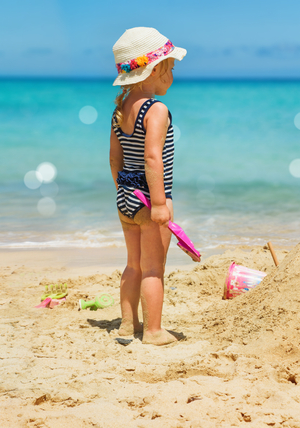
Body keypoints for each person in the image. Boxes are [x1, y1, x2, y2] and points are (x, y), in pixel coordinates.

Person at [109, 27, 188, 345]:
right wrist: (157, 203)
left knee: (133, 264)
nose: (173, 75)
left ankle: (129, 326)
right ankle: (153, 331)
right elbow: (153, 158)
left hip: (126, 198)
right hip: (150, 199)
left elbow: (115, 161)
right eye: (171, 68)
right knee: (153, 268)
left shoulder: (120, 109)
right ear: (156, 71)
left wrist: (125, 190)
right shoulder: (155, 110)